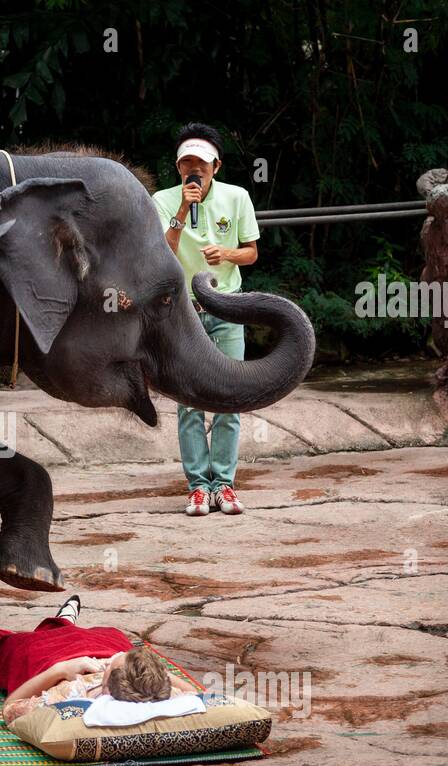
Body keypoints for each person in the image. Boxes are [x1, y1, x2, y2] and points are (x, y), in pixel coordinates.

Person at [152, 122, 260, 518]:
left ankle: (224, 485)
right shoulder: (163, 200)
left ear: (216, 165)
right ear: (178, 168)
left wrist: (227, 255)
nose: (192, 170)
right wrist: (182, 208)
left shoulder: (238, 197)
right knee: (189, 400)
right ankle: (198, 487)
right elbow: (163, 252)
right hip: (184, 313)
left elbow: (251, 252)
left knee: (231, 395)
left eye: (200, 163)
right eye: (186, 164)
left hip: (228, 307)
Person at [0, 595, 200, 724]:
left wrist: (59, 670)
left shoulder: (75, 695)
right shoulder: (165, 694)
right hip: (98, 647)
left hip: (56, 663)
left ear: (105, 687)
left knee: (16, 647)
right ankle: (63, 623)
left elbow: (11, 708)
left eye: (114, 664)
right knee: (108, 636)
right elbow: (198, 695)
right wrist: (156, 677)